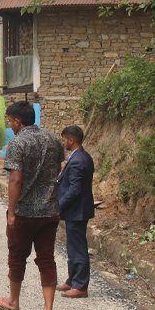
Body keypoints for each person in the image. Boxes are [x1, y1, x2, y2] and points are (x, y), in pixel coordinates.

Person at [0, 101, 64, 310]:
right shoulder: (54, 140)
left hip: (25, 211)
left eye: (10, 121)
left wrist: (11, 212)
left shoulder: (18, 143)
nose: (10, 125)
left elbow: (15, 179)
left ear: (18, 121)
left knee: (16, 257)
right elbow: (58, 169)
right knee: (46, 259)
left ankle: (13, 301)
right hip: (50, 211)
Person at [56, 125, 95, 298]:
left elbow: (74, 189)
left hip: (77, 211)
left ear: (71, 140)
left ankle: (80, 285)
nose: (63, 142)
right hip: (76, 210)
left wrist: (59, 206)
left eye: (64, 139)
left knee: (78, 247)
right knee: (72, 246)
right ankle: (72, 280)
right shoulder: (80, 157)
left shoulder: (79, 160)